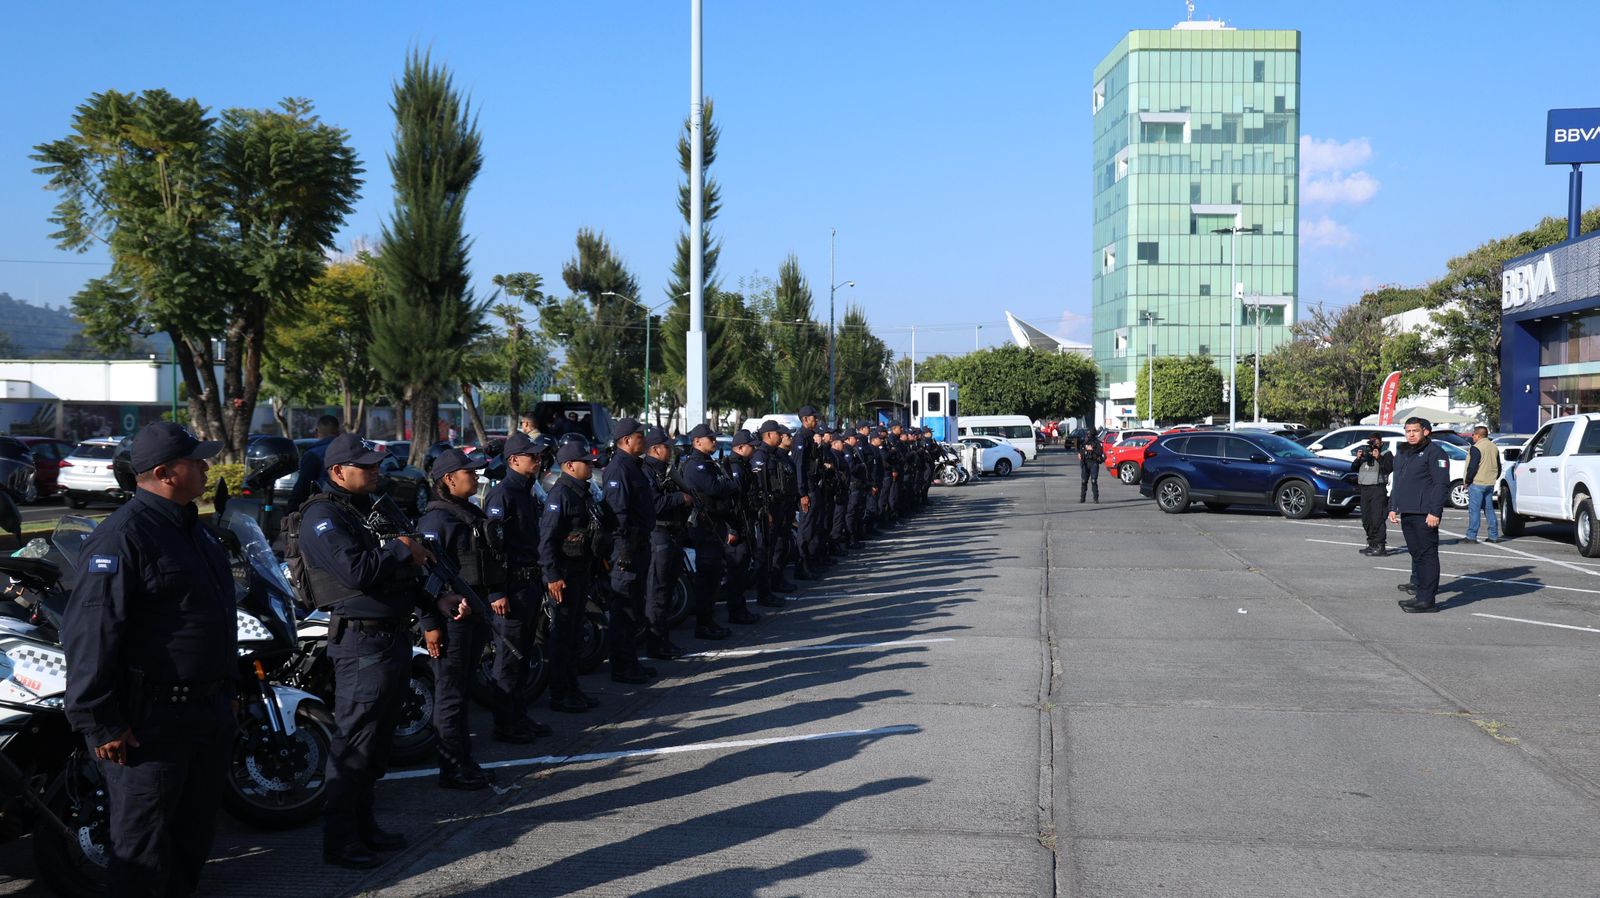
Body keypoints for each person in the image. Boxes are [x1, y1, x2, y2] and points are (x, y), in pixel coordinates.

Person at [62, 423, 234, 897]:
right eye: (195, 461)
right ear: (164, 473)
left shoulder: (193, 529)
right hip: (151, 727)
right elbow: (91, 635)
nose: (205, 466)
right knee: (142, 855)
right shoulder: (122, 537)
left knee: (191, 843)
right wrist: (101, 722)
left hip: (204, 715)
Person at [297, 433, 468, 869]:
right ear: (338, 472)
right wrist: (401, 548)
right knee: (355, 741)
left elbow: (402, 575)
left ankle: (365, 825)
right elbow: (357, 571)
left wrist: (437, 600)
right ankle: (340, 839)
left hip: (389, 635)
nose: (375, 472)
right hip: (360, 641)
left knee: (376, 744)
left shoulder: (364, 510)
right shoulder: (322, 516)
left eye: (375, 465)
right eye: (366, 467)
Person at [417, 449, 500, 789]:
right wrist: (430, 625)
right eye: (470, 472)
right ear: (449, 479)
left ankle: (464, 760)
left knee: (463, 691)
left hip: (472, 615)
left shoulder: (465, 512)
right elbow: (424, 576)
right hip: (452, 622)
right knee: (450, 695)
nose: (477, 477)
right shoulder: (436, 521)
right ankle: (451, 768)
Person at [482, 433, 559, 731]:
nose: (538, 461)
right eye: (533, 457)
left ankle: (519, 716)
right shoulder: (503, 494)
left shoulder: (527, 491)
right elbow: (492, 549)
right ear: (514, 460)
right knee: (508, 660)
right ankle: (506, 724)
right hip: (510, 588)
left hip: (528, 585)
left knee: (524, 654)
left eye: (539, 456)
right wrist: (497, 591)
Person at [539, 440, 606, 710]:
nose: (590, 466)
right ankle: (560, 694)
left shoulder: (582, 492)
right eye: (585, 462)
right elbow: (547, 541)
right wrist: (552, 576)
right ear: (569, 466)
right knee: (562, 635)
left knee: (575, 633)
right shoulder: (561, 495)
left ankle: (573, 689)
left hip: (580, 571)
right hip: (564, 575)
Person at [602, 418, 657, 685]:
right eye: (639, 436)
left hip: (639, 545)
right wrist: (623, 552)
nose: (643, 440)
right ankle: (622, 667)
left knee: (634, 609)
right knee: (623, 611)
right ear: (625, 440)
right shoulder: (618, 469)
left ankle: (632, 662)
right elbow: (618, 515)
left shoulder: (633, 467)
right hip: (627, 550)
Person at [678, 423, 737, 638]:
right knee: (707, 577)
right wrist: (728, 485)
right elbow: (717, 488)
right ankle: (704, 625)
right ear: (697, 442)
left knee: (713, 577)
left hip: (714, 524)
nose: (714, 441)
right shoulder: (696, 465)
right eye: (710, 438)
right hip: (705, 525)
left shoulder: (708, 462)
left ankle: (709, 621)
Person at [1390, 417, 1451, 613]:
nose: (1411, 434)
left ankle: (1427, 599)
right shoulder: (1406, 452)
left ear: (1426, 431)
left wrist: (1435, 511)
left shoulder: (1435, 453)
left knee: (1427, 554)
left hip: (1425, 513)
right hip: (1408, 511)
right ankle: (1420, 593)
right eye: (1408, 431)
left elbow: (1441, 484)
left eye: (1415, 430)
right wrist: (1393, 506)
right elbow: (1398, 481)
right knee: (1416, 554)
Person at [641, 425, 692, 658]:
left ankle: (664, 640)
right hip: (658, 535)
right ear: (655, 449)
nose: (670, 451)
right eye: (666, 447)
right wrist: (679, 498)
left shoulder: (666, 470)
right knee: (658, 594)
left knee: (668, 592)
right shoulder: (647, 471)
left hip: (672, 534)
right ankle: (655, 644)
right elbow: (654, 505)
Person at [717, 430, 763, 624]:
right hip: (736, 525)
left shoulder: (743, 465)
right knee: (736, 571)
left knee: (742, 569)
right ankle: (736, 611)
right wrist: (733, 529)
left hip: (744, 522)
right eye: (751, 446)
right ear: (740, 448)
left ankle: (740, 608)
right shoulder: (735, 467)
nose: (753, 450)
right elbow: (732, 501)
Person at [287, 414, 342, 513]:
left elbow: (303, 486)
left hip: (322, 508)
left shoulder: (313, 454)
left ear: (317, 431)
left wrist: (290, 513)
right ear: (338, 431)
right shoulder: (348, 451)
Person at [791, 405, 822, 578]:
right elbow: (799, 467)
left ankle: (810, 563)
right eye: (813, 418)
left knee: (814, 526)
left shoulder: (810, 437)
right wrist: (802, 493)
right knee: (806, 528)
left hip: (813, 485)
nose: (815, 420)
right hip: (807, 488)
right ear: (804, 420)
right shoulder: (801, 438)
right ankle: (801, 567)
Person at [1353, 432, 1395, 556]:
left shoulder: (1386, 454)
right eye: (1371, 441)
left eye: (1375, 441)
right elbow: (1353, 468)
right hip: (1365, 489)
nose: (1373, 444)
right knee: (1366, 519)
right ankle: (1371, 543)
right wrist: (1358, 459)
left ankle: (1380, 546)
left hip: (1378, 489)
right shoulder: (1366, 454)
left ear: (1381, 442)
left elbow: (1389, 468)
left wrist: (1379, 458)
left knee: (1377, 518)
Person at [1463, 424, 1502, 544]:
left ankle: (1471, 536)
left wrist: (1467, 481)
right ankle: (1493, 535)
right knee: (1489, 510)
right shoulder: (1494, 447)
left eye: (1473, 435)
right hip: (1490, 483)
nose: (1472, 437)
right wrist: (1494, 477)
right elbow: (1499, 466)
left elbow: (1472, 467)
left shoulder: (1476, 448)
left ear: (1478, 435)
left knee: (1474, 510)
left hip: (1477, 483)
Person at [1078, 433, 1105, 503]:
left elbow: (1100, 452)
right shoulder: (1084, 442)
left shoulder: (1097, 443)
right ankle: (1082, 498)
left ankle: (1096, 499)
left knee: (1094, 481)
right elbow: (1081, 451)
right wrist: (1080, 454)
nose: (1088, 436)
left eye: (1090, 434)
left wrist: (1092, 450)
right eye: (1087, 435)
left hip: (1094, 463)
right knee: (1084, 481)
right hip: (1085, 463)